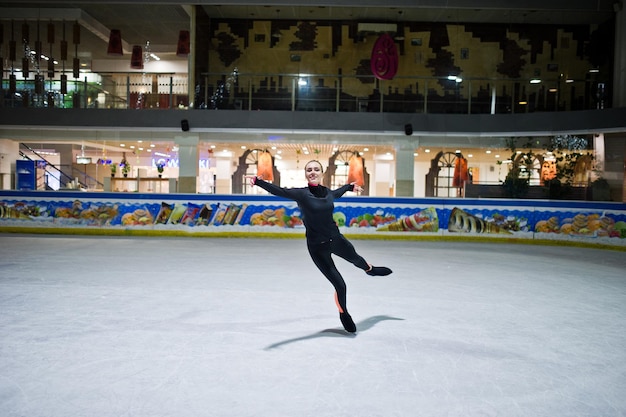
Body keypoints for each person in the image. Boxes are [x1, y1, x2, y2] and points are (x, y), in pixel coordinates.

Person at [249, 160, 392, 333]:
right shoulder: (301, 194)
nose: (312, 172)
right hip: (317, 248)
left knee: (357, 260)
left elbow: (338, 192)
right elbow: (279, 191)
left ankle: (371, 270)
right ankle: (344, 313)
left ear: (322, 173)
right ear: (305, 174)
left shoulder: (329, 193)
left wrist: (349, 187)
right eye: (309, 170)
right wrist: (258, 181)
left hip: (336, 240)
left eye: (316, 169)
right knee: (341, 285)